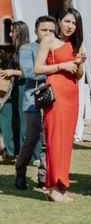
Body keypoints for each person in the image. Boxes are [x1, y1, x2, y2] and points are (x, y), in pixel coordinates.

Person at [34, 8, 86, 203]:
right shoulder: (48, 40)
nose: (70, 26)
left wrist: (79, 63)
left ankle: (60, 186)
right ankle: (54, 187)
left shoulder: (76, 45)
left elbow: (79, 75)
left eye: (74, 23)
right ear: (59, 21)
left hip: (72, 94)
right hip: (56, 94)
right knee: (55, 140)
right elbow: (37, 68)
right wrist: (61, 66)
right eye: (67, 21)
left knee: (66, 141)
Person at [14, 16, 55, 190]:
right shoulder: (27, 48)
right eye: (44, 30)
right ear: (36, 31)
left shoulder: (57, 48)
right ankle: (20, 170)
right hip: (33, 98)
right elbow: (29, 72)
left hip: (54, 98)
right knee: (31, 138)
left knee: (48, 141)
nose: (48, 33)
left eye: (51, 30)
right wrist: (54, 71)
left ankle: (43, 176)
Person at [0, 21, 30, 158]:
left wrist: (13, 71)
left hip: (25, 88)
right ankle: (11, 149)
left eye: (12, 31)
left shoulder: (27, 49)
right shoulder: (17, 49)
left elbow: (32, 71)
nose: (10, 34)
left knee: (23, 121)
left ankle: (24, 153)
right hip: (15, 88)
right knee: (5, 114)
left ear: (20, 32)